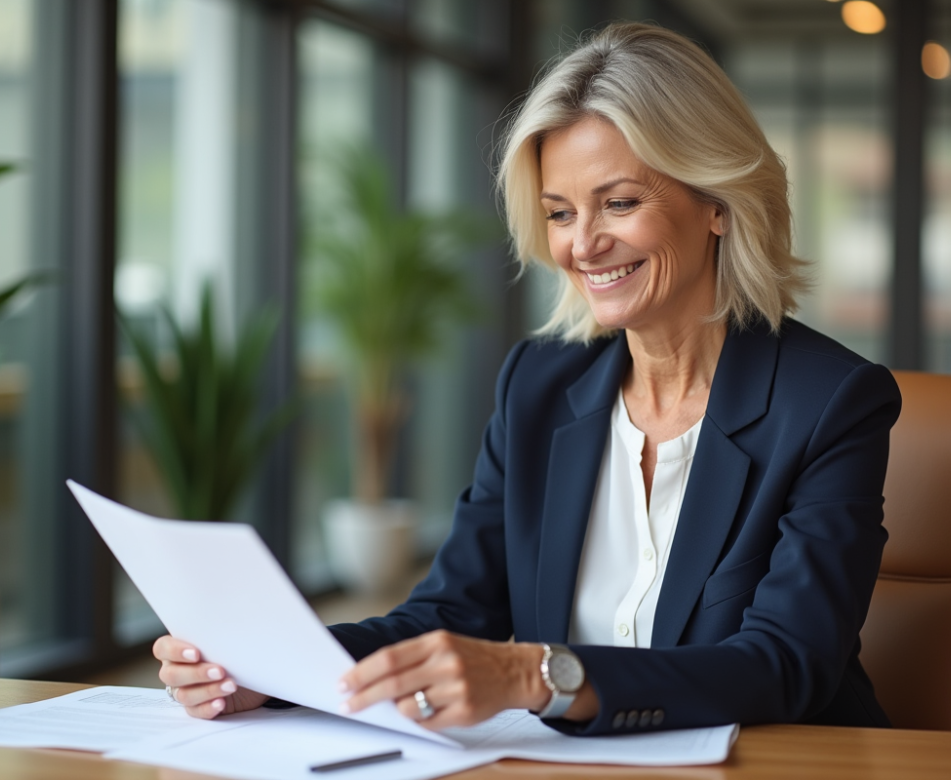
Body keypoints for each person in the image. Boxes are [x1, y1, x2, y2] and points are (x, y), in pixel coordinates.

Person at [154, 21, 901, 736]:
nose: (583, 244)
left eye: (619, 202)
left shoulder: (830, 402)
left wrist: (541, 677)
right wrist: (269, 670)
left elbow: (783, 664)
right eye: (559, 212)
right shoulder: (538, 387)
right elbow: (448, 615)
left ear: (716, 203)